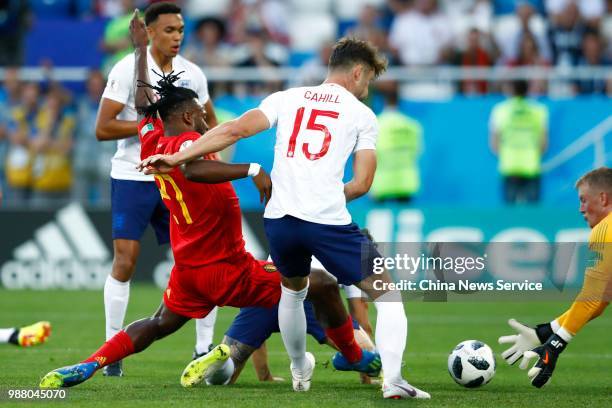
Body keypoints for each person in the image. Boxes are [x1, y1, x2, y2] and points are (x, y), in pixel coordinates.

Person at [38, 14, 379, 389]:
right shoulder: (185, 148)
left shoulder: (152, 139)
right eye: (201, 115)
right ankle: (352, 355)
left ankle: (90, 363)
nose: (207, 121)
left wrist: (140, 53)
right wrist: (250, 169)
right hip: (227, 268)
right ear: (187, 115)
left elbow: (142, 102)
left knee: (157, 323)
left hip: (188, 270)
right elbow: (193, 170)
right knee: (319, 285)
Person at [140, 37, 430, 399]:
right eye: (368, 79)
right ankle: (394, 381)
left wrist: (180, 157)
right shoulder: (362, 115)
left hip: (279, 220)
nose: (366, 87)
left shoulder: (287, 98)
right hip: (325, 220)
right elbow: (364, 182)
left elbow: (234, 130)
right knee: (388, 295)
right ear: (357, 72)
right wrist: (330, 194)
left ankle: (298, 371)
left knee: (292, 293)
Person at [94, 1, 219, 376]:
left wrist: (200, 149)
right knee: (125, 261)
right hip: (133, 176)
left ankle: (202, 348)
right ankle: (112, 351)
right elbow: (103, 128)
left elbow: (209, 123)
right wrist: (152, 128)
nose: (177, 37)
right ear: (148, 32)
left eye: (180, 30)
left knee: (199, 261)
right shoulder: (125, 70)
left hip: (179, 179)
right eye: (169, 30)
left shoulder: (192, 73)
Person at [499, 167, 612, 388]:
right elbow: (600, 300)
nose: (580, 209)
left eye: (583, 200)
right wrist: (546, 332)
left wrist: (555, 345)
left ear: (603, 198)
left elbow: (590, 298)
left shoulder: (605, 230)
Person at [489, 80, 548, 204]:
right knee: (533, 217)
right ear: (527, 90)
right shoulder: (538, 110)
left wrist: (505, 156)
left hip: (509, 166)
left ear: (511, 90)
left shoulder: (500, 110)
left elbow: (494, 142)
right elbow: (544, 142)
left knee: (509, 217)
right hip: (531, 165)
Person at [370, 82, 422, 203]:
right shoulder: (412, 125)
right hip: (406, 181)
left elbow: (370, 155)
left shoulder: (376, 124)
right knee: (408, 220)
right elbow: (417, 151)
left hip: (382, 182)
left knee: (380, 220)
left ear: (382, 101)